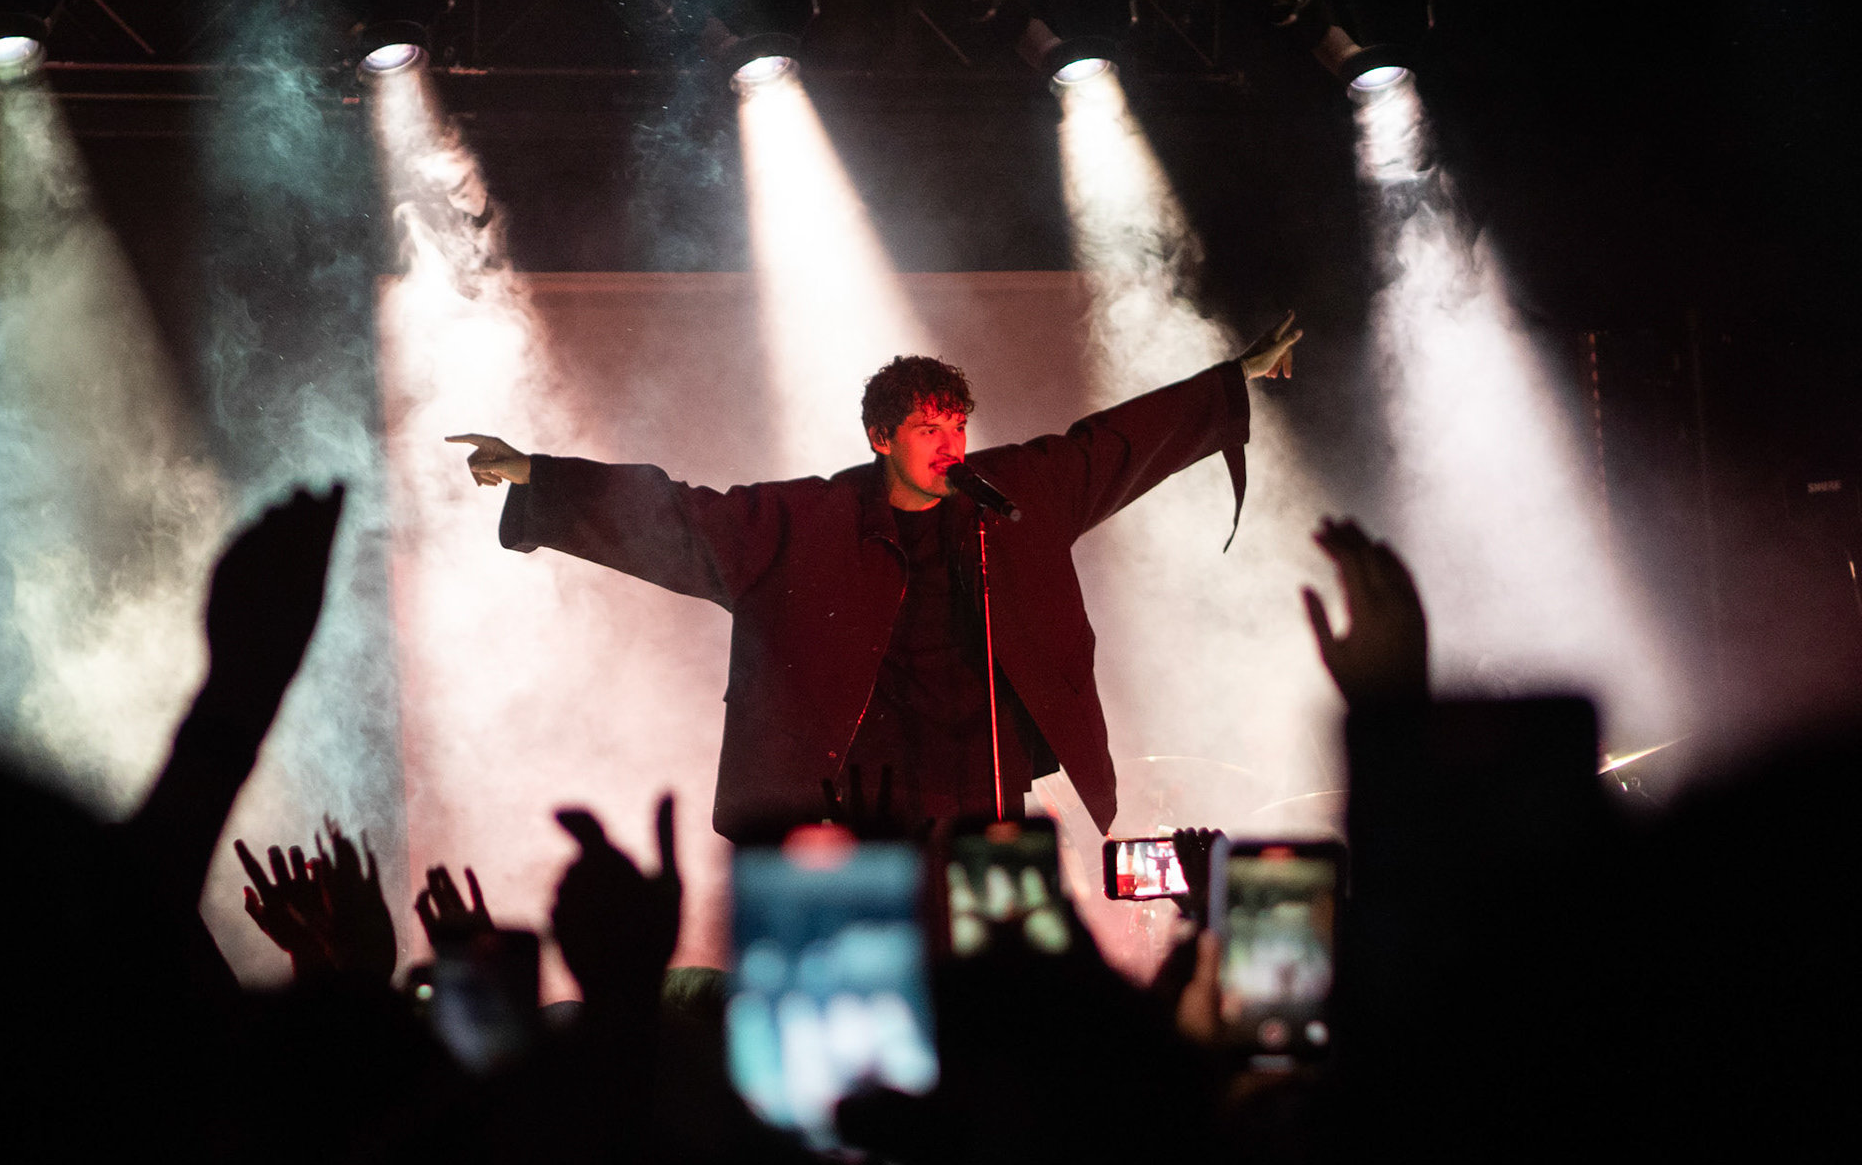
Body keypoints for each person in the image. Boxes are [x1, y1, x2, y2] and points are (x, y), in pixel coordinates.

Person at [449, 316, 1302, 841]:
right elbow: (678, 514)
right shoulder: (809, 519)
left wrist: (1236, 378)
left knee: (987, 982)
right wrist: (538, 475)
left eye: (957, 426)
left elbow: (1109, 445)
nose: (950, 445)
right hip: (867, 801)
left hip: (987, 788)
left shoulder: (1007, 495)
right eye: (929, 428)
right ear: (880, 436)